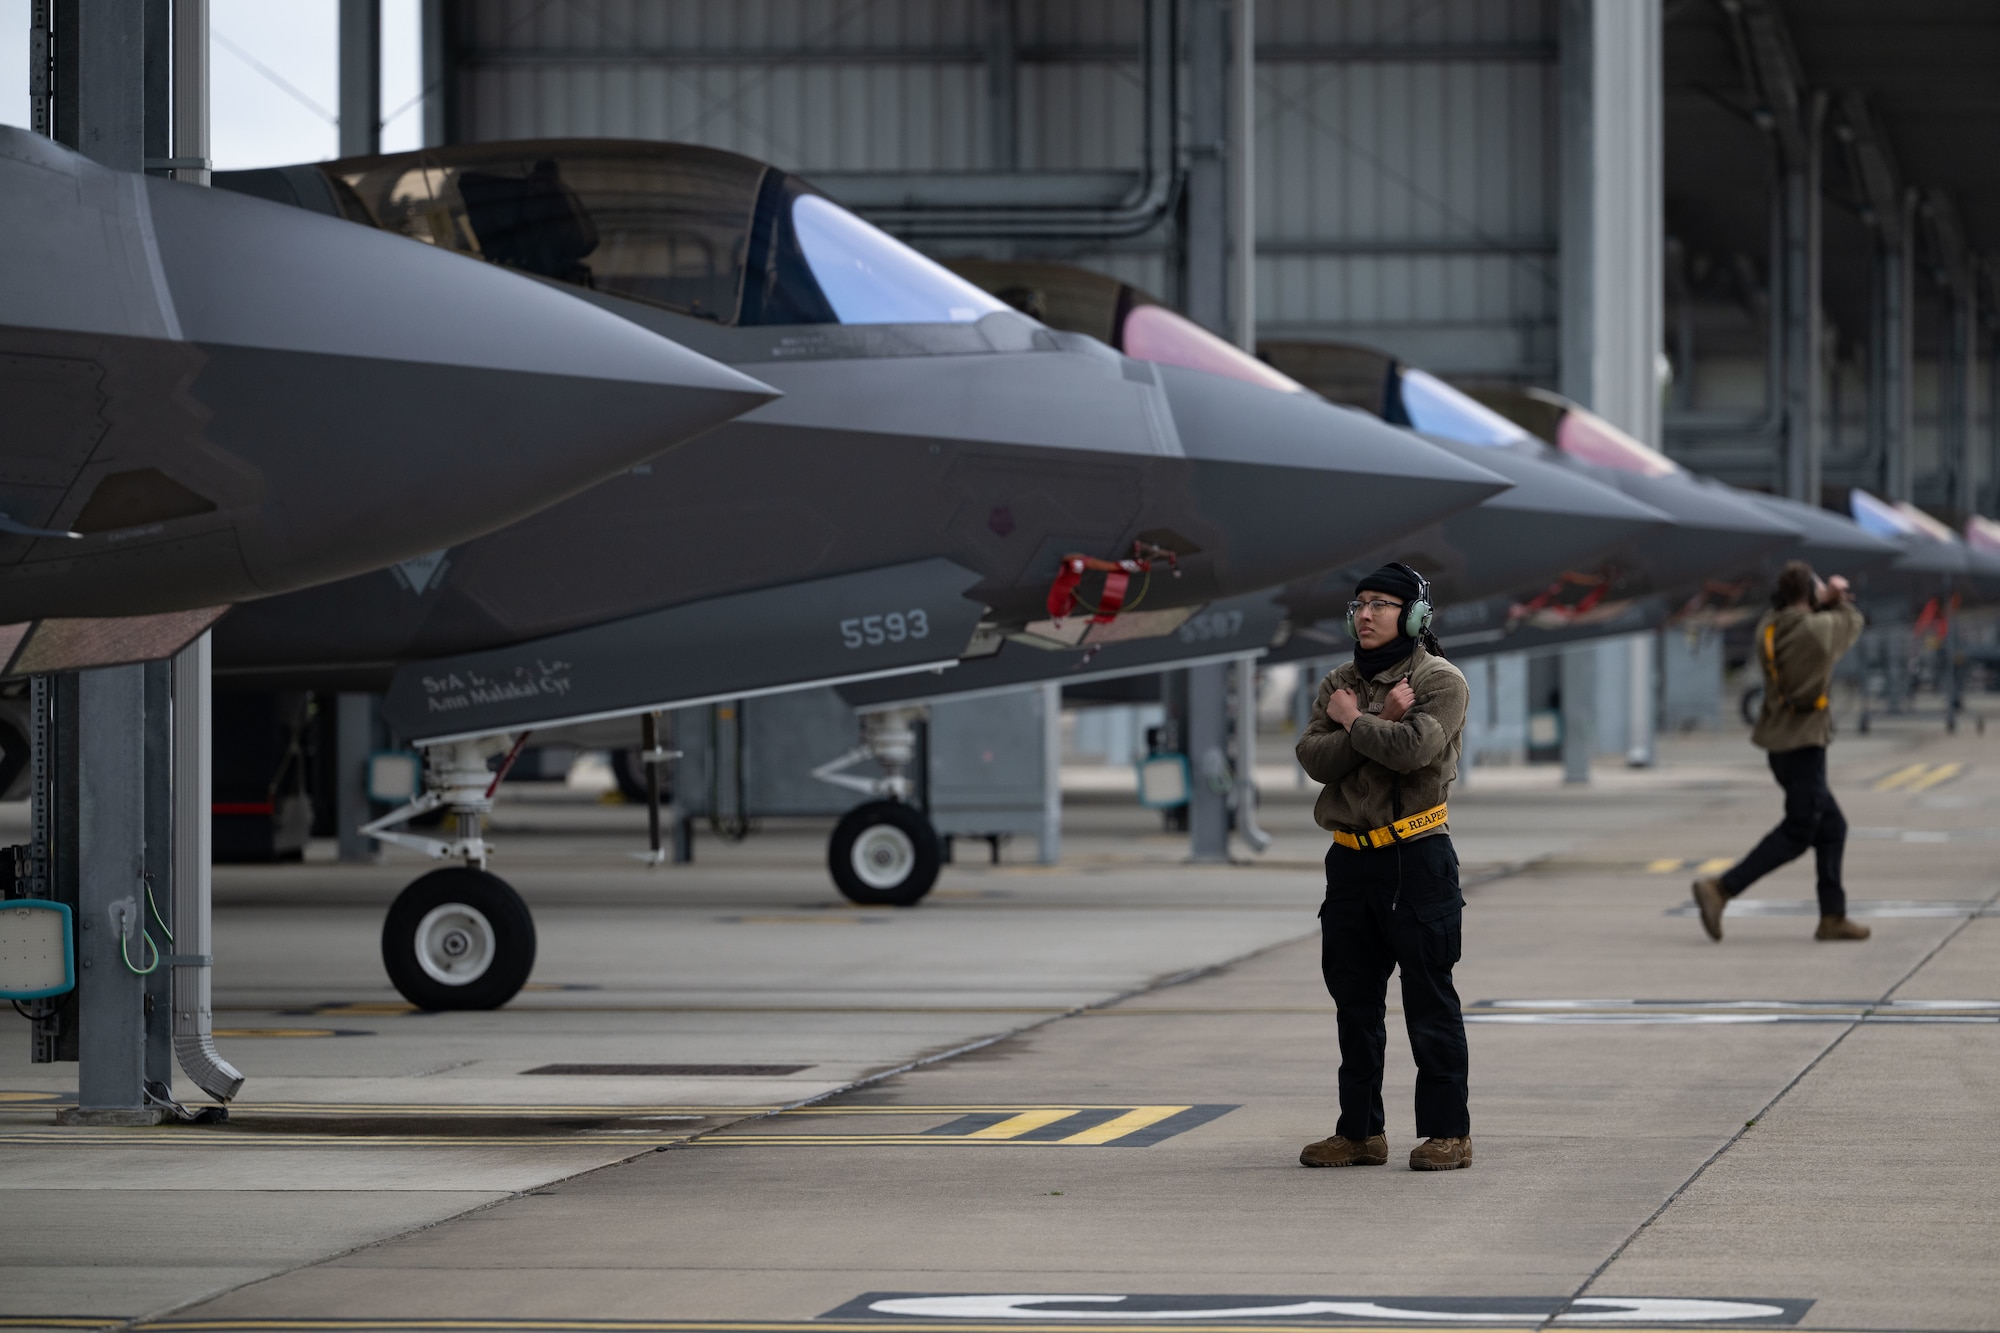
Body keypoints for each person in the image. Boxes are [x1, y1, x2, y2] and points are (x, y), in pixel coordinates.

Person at [1295, 563, 1473, 1172]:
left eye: (1381, 604)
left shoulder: (1440, 681)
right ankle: (1360, 1132)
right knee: (1355, 1002)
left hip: (1416, 856)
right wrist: (1369, 722)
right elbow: (1314, 759)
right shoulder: (1339, 681)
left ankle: (1450, 1133)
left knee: (1429, 999)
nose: (1364, 614)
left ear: (1416, 615)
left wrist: (1354, 722)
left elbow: (1413, 751)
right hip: (1350, 860)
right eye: (1359, 603)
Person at [1692, 560, 1869, 942]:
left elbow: (1803, 619)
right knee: (1800, 829)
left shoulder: (1769, 626)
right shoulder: (1817, 631)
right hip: (1804, 743)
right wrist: (1837, 599)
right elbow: (1851, 623)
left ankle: (1833, 915)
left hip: (1779, 743)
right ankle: (1721, 889)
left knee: (1832, 826)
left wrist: (1819, 597)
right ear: (1809, 595)